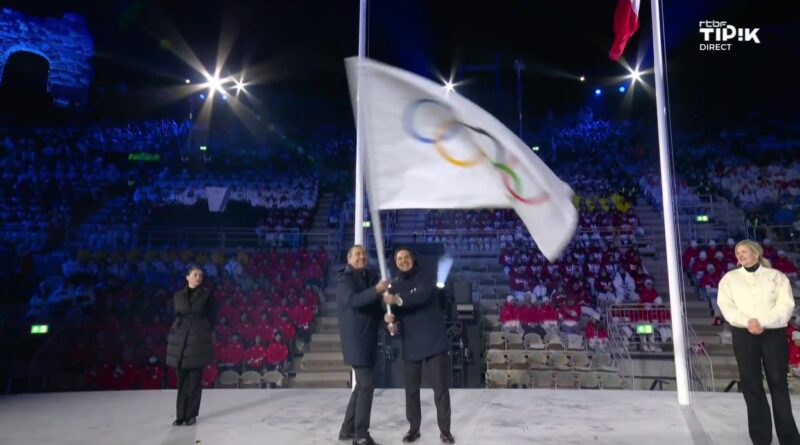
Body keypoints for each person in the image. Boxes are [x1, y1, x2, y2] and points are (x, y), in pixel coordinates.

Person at [717, 240, 800, 445]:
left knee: (778, 382)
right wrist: (748, 322)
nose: (740, 255)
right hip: (743, 334)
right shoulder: (730, 278)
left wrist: (762, 321)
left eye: (744, 251)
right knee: (751, 383)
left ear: (756, 253)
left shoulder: (776, 277)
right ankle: (760, 438)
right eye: (738, 252)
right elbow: (726, 306)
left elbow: (785, 306)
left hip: (773, 333)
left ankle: (789, 438)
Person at [383, 248, 455, 444]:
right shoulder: (394, 285)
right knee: (411, 390)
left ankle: (445, 431)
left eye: (406, 257)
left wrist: (397, 300)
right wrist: (390, 322)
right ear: (395, 263)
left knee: (440, 388)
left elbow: (421, 296)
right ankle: (414, 429)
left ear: (413, 259)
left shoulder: (427, 276)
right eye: (399, 259)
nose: (403, 261)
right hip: (411, 342)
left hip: (433, 340)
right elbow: (394, 321)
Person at [337, 245, 391, 445]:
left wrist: (387, 319)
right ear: (349, 258)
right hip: (355, 342)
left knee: (361, 386)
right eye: (358, 254)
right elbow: (354, 300)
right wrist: (376, 289)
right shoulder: (345, 279)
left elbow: (373, 308)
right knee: (367, 385)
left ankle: (347, 429)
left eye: (364, 254)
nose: (362, 257)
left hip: (368, 340)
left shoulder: (368, 277)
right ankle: (360, 434)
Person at [166, 266, 215, 426]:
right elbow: (175, 315)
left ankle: (191, 415)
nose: (198, 277)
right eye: (195, 274)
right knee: (182, 383)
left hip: (197, 340)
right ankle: (180, 415)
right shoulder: (178, 296)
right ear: (187, 277)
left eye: (201, 275)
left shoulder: (207, 295)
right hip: (181, 341)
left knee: (194, 382)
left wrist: (202, 332)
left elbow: (212, 317)